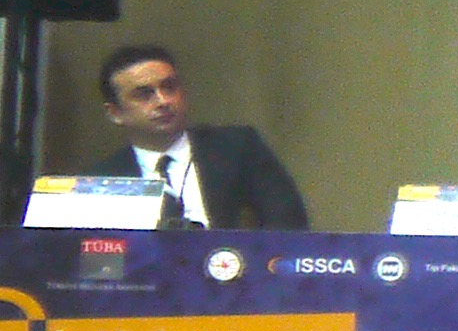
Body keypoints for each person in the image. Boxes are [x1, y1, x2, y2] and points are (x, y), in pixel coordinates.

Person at [89, 43, 307, 231]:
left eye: (169, 87)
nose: (163, 101)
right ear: (115, 113)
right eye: (144, 94)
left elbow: (288, 222)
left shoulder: (237, 147)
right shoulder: (101, 180)